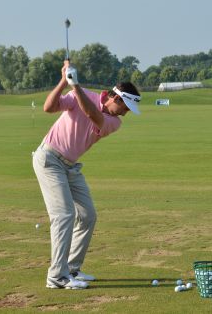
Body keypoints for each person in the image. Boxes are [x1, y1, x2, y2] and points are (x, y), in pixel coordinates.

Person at [32, 60, 141, 289]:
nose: (126, 113)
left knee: (88, 215)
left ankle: (71, 269)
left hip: (70, 166)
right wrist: (64, 80)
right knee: (64, 215)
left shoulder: (114, 122)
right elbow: (48, 108)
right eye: (126, 107)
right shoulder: (81, 94)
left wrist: (75, 86)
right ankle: (57, 277)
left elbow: (93, 116)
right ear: (117, 99)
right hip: (49, 160)